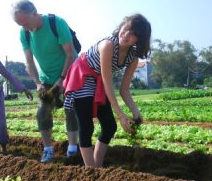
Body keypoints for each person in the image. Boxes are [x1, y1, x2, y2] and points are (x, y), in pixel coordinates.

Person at [63, 14, 151, 167]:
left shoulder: (133, 58)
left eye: (134, 34)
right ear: (122, 25)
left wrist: (135, 112)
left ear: (139, 40)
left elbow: (124, 89)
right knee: (86, 126)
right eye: (127, 28)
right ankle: (91, 171)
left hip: (98, 79)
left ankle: (97, 166)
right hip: (83, 74)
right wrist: (120, 114)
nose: (127, 35)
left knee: (110, 126)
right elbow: (107, 80)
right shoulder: (108, 45)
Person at [11, 0, 79, 163]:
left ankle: (72, 149)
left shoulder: (57, 23)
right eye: (21, 25)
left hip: (70, 73)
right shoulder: (25, 33)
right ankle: (48, 149)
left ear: (34, 12)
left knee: (71, 110)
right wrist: (38, 83)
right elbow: (29, 61)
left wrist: (62, 79)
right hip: (47, 78)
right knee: (42, 113)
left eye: (26, 23)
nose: (25, 28)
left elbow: (70, 54)